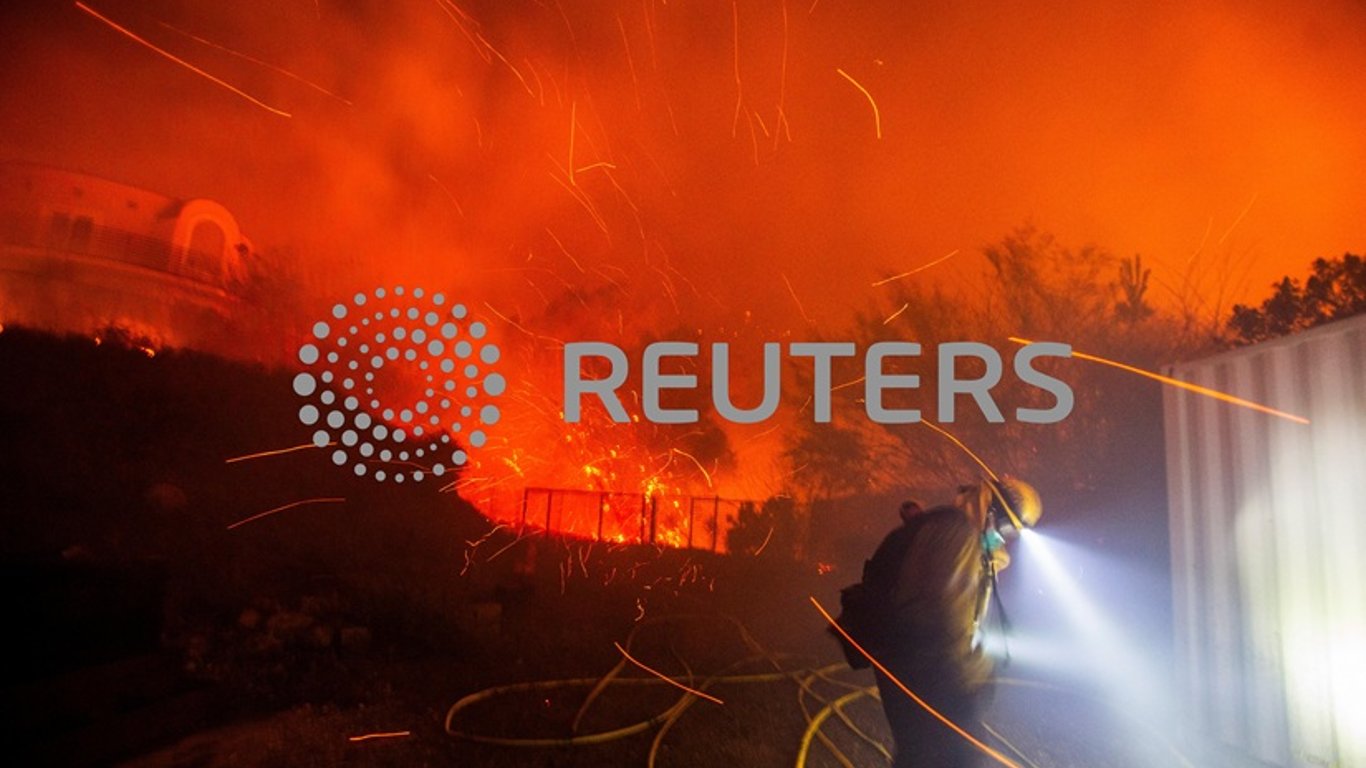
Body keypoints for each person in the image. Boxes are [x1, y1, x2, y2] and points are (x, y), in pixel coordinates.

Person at [859, 494, 1001, 768]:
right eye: (1006, 528)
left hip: (899, 653)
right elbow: (947, 612)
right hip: (926, 661)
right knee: (959, 754)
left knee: (917, 753)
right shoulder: (958, 533)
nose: (1003, 539)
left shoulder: (943, 528)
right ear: (994, 513)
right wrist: (973, 672)